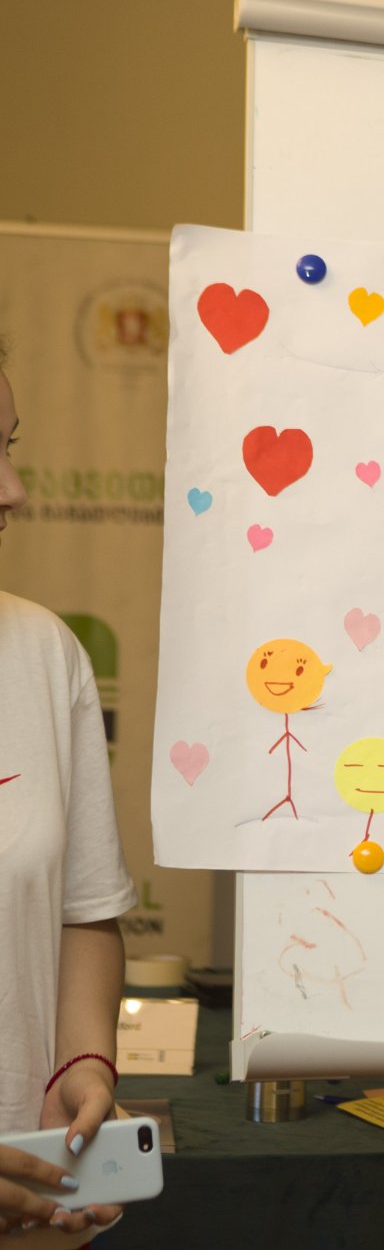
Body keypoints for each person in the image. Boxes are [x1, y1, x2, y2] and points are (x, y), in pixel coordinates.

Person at [0, 345, 135, 1241]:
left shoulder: (45, 653)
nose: (13, 489)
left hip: (36, 1212)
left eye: (9, 446)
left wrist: (83, 1063)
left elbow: (84, 911)